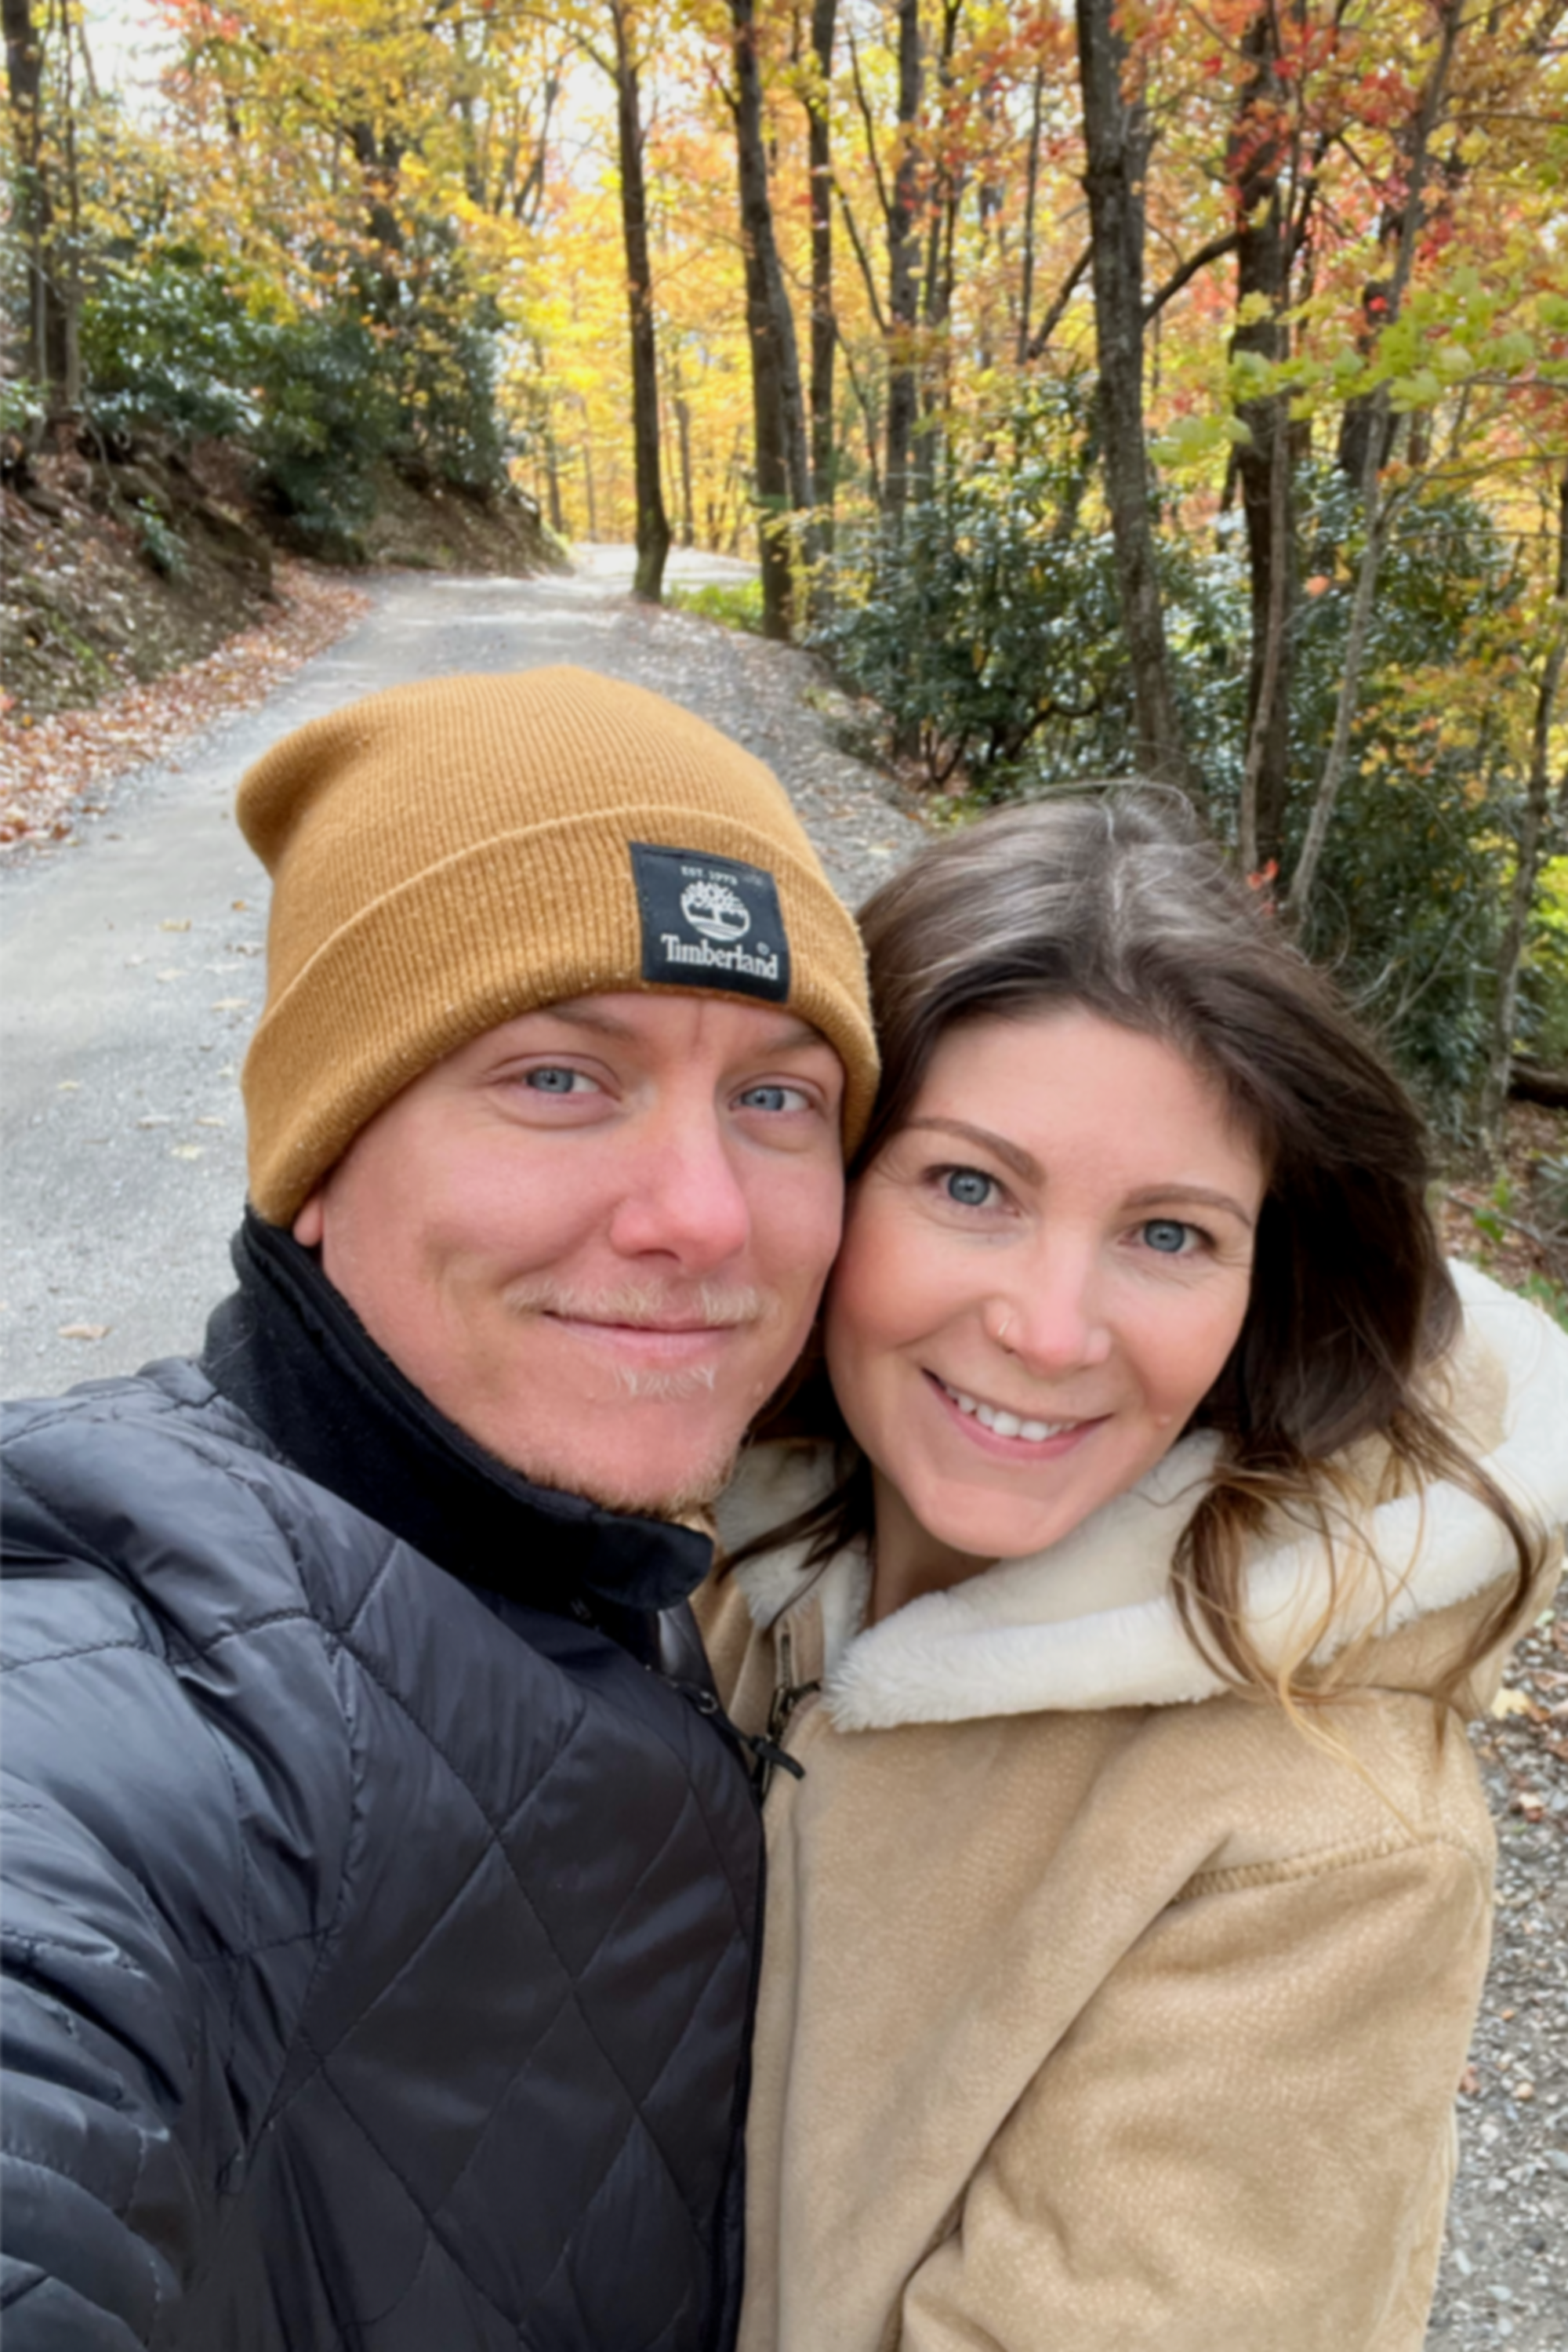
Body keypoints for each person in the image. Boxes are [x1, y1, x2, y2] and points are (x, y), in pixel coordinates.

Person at [0, 666, 877, 2351]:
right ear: (318, 1163)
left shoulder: (638, 1560)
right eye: (559, 1077)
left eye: (777, 1098)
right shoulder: (126, 1720)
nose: (705, 1217)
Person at [698, 791, 1568, 2352]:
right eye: (970, 1187)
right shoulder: (740, 1540)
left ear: (1265, 1280)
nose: (1048, 1327)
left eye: (1167, 1234)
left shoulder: (1324, 1848)